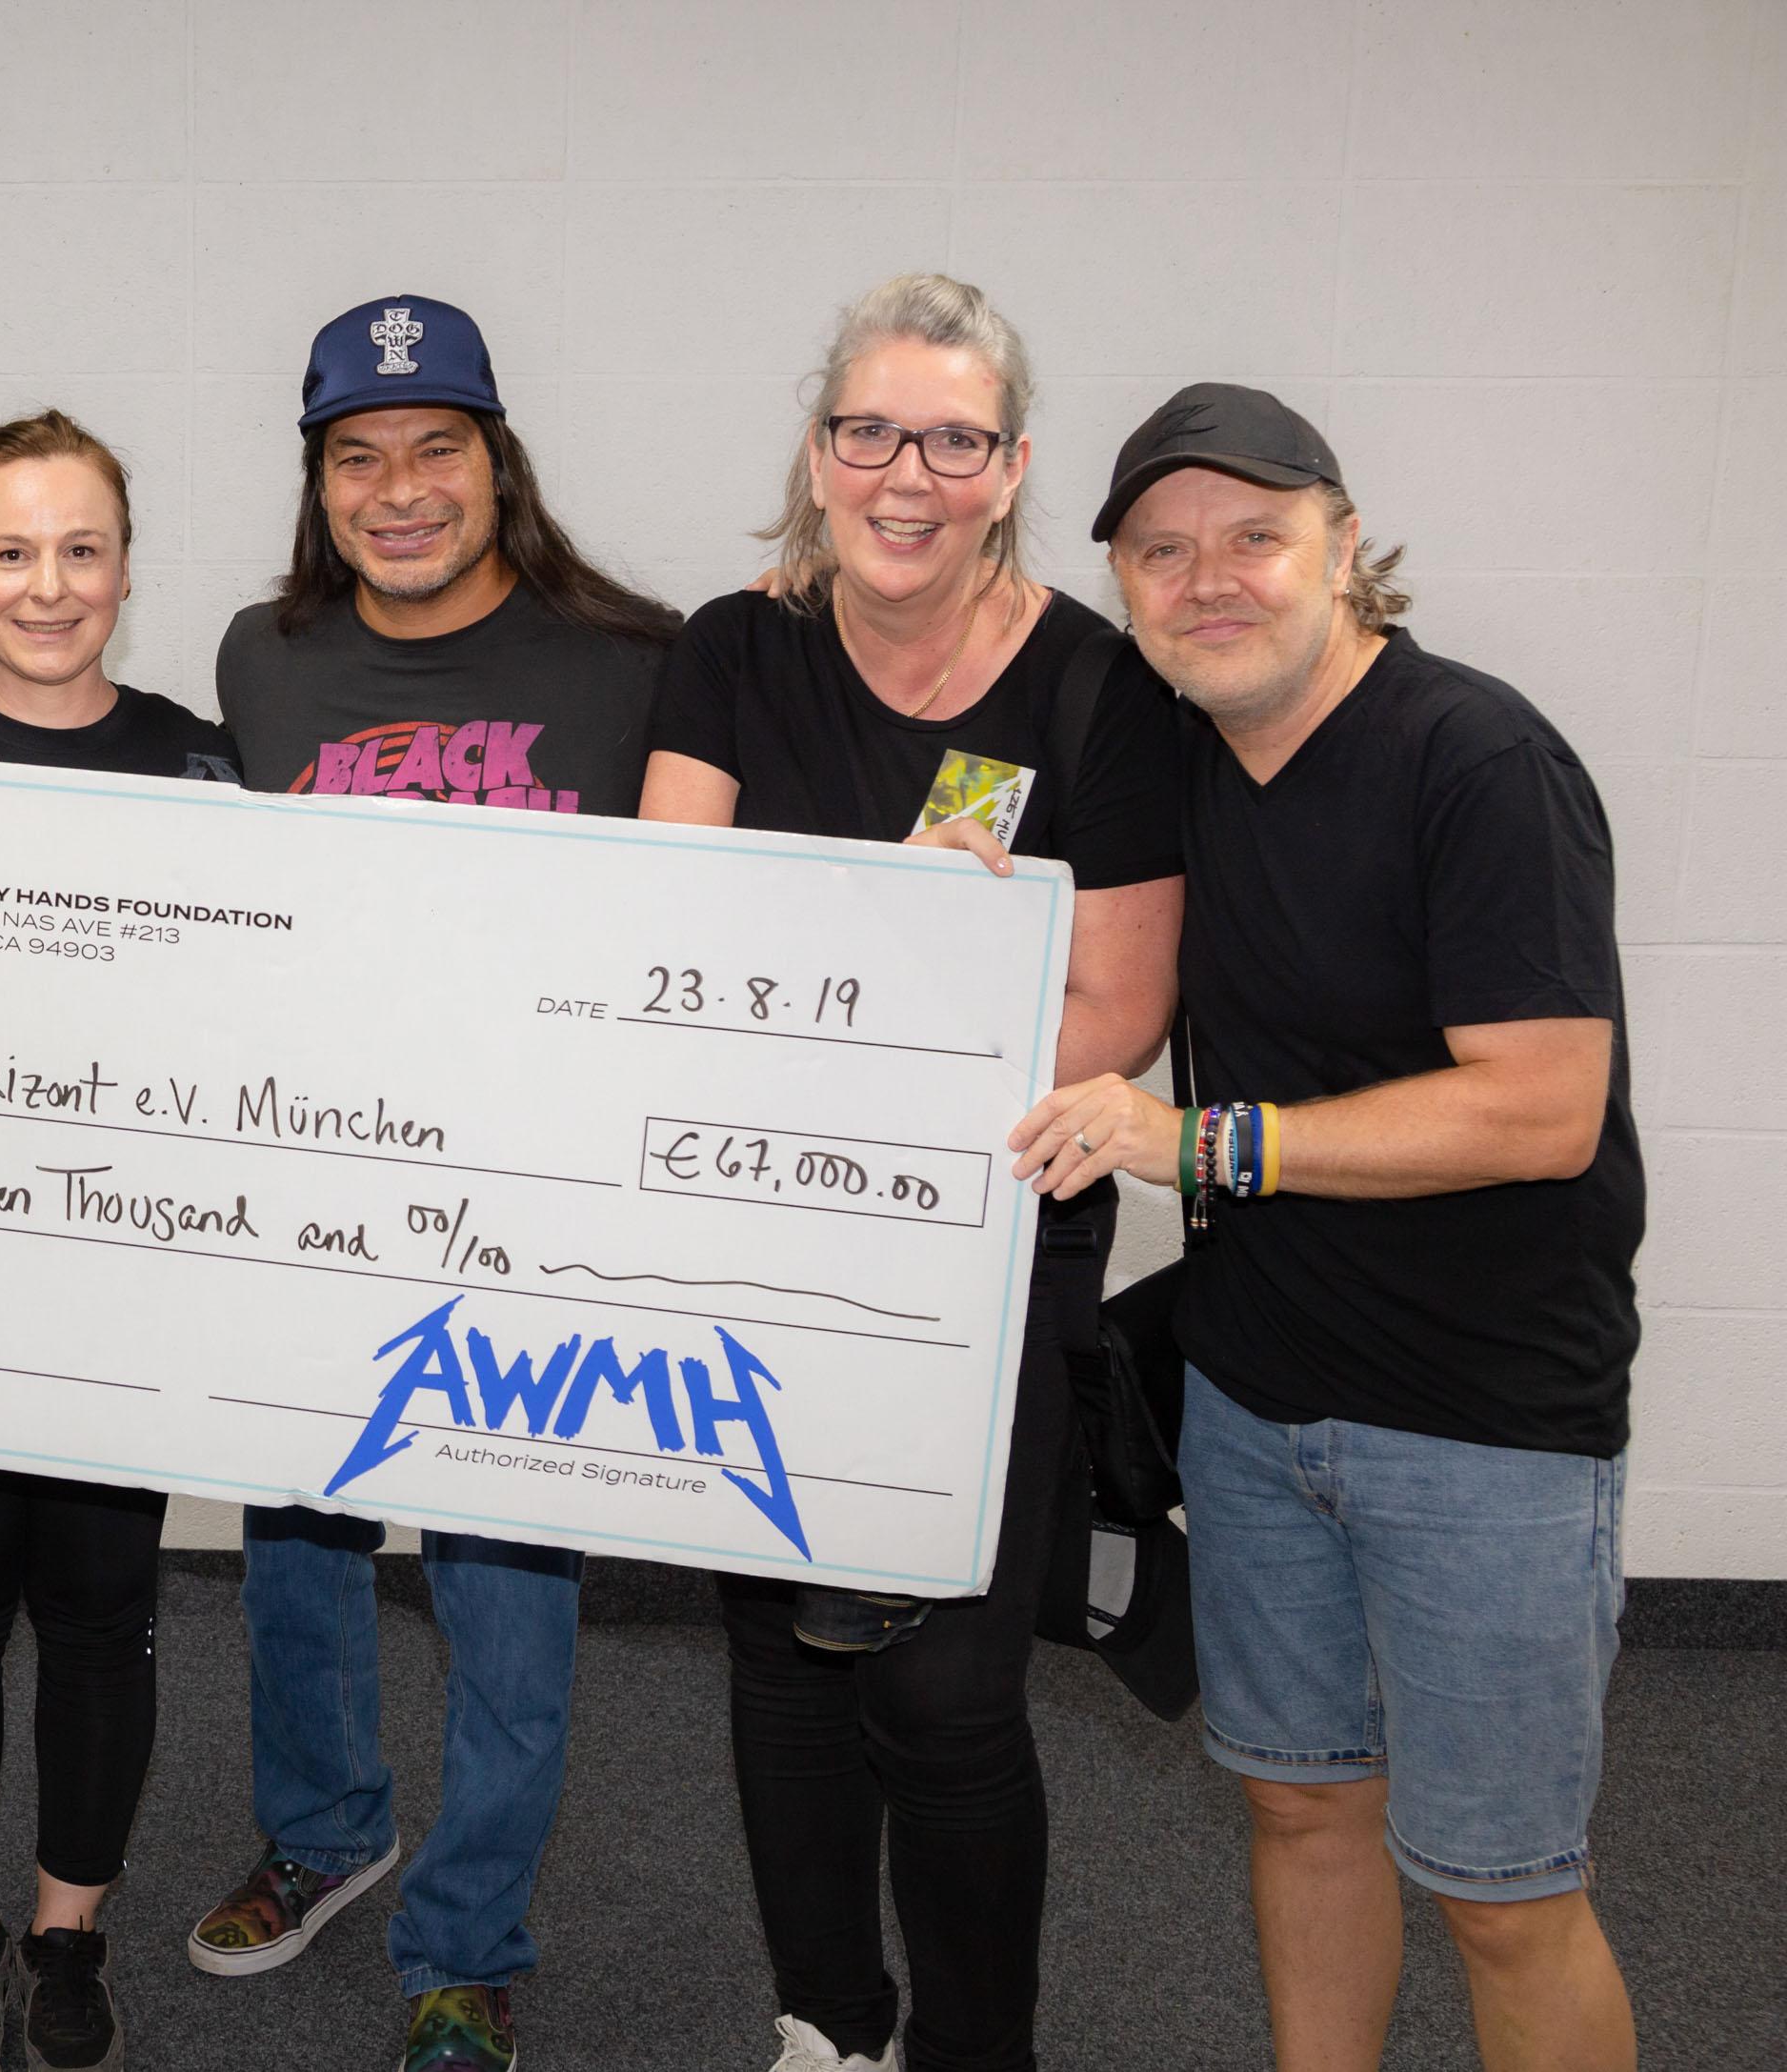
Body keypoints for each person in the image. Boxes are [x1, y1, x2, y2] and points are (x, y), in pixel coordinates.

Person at [1014, 385, 1642, 2072]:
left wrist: (1202, 1144)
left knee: (1506, 1892)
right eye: (1163, 552)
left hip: (1483, 1426)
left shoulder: (1477, 761)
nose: (1208, 579)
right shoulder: (1186, 765)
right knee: (1301, 1813)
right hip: (1254, 1402)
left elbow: (1541, 1108)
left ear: (1345, 547)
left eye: (1255, 536)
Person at [638, 274, 1185, 2072]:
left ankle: (972, 2049)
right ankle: (830, 2018)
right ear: (818, 454)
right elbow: (670, 934)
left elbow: (1117, 1013)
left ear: (1012, 470)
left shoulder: (1100, 690)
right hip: (761, 1227)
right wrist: (899, 998)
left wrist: (853, 1041)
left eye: (954, 441)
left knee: (947, 1692)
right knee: (783, 1657)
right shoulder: (734, 651)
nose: (906, 475)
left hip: (991, 1246)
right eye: (869, 432)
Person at [192, 295, 681, 2072]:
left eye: (435, 449)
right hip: (318, 1193)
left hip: (534, 1210)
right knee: (297, 1560)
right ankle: (326, 1835)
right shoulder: (264, 656)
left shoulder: (633, 661)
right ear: (318, 480)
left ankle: (467, 1946)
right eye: (359, 457)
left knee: (509, 1601)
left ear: (498, 462)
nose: (399, 490)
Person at [0, 412, 236, 2072]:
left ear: (127, 569)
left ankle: (68, 1932)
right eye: (11, 552)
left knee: (102, 1613)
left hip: (123, 1284)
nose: (48, 584)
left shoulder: (204, 766)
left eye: (82, 550)